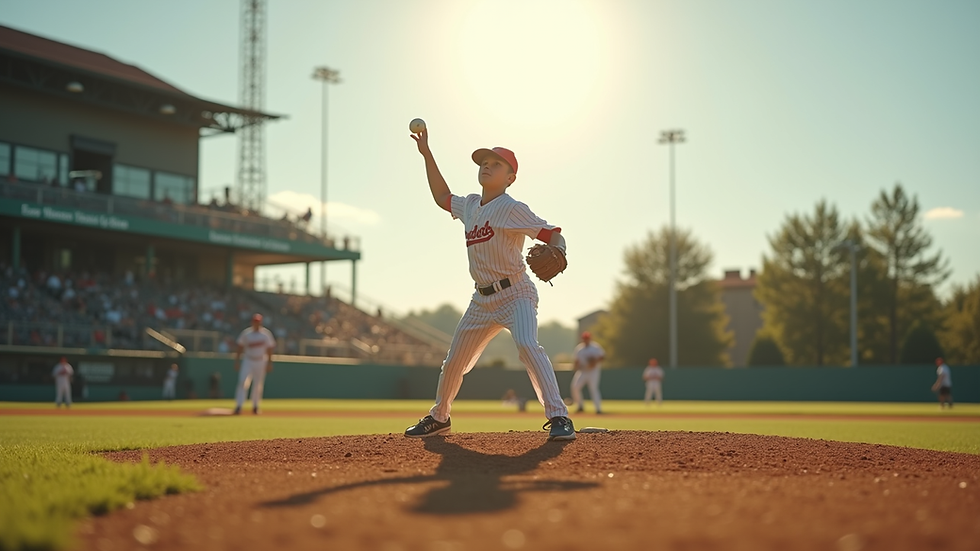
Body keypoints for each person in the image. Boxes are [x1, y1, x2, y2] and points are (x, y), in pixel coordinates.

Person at [404, 126, 575, 441]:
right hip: (481, 301)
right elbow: (442, 197)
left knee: (527, 344)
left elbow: (552, 233)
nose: (486, 165)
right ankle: (439, 417)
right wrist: (427, 154)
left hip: (516, 294)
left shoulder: (512, 208)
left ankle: (559, 415)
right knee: (455, 360)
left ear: (510, 177)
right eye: (484, 161)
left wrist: (560, 250)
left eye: (496, 164)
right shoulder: (470, 205)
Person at [233, 313, 276, 414]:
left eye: (258, 322)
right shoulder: (246, 333)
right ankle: (239, 405)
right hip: (248, 359)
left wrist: (270, 362)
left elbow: (270, 349)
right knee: (243, 381)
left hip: (261, 360)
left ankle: (255, 406)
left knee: (258, 384)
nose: (257, 323)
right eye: (255, 321)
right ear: (252, 322)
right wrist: (237, 360)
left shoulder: (266, 334)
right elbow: (240, 347)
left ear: (261, 322)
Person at [571, 332, 606, 414]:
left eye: (587, 338)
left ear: (590, 338)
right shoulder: (579, 348)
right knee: (575, 387)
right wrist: (576, 368)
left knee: (593, 389)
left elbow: (602, 357)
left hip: (593, 371)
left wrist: (594, 362)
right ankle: (580, 406)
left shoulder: (595, 347)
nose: (586, 340)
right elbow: (576, 361)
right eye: (584, 338)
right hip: (583, 370)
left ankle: (598, 409)